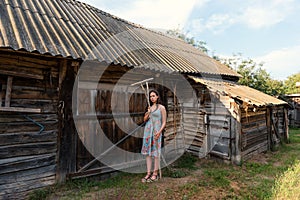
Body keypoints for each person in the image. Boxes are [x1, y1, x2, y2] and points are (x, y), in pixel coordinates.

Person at [141, 89, 166, 183]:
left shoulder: (161, 108)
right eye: (150, 96)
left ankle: (155, 173)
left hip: (156, 132)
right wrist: (148, 112)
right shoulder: (149, 107)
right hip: (148, 132)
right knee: (148, 153)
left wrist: (159, 132)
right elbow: (144, 120)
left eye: (153, 96)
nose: (152, 98)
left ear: (157, 96)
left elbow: (164, 122)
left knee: (156, 153)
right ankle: (148, 172)